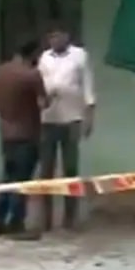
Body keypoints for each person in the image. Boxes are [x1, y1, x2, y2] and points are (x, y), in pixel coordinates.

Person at [36, 26, 95, 232]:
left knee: (70, 169)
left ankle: (70, 218)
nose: (54, 39)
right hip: (48, 120)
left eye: (58, 35)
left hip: (72, 120)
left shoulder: (80, 56)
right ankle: (46, 219)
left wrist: (89, 117)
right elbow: (38, 87)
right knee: (46, 171)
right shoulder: (44, 58)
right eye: (51, 35)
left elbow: (88, 89)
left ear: (67, 36)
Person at [0, 38, 48, 240]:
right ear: (33, 55)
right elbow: (44, 102)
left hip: (6, 134)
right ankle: (16, 223)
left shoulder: (0, 72)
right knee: (23, 182)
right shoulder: (31, 75)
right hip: (27, 134)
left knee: (7, 179)